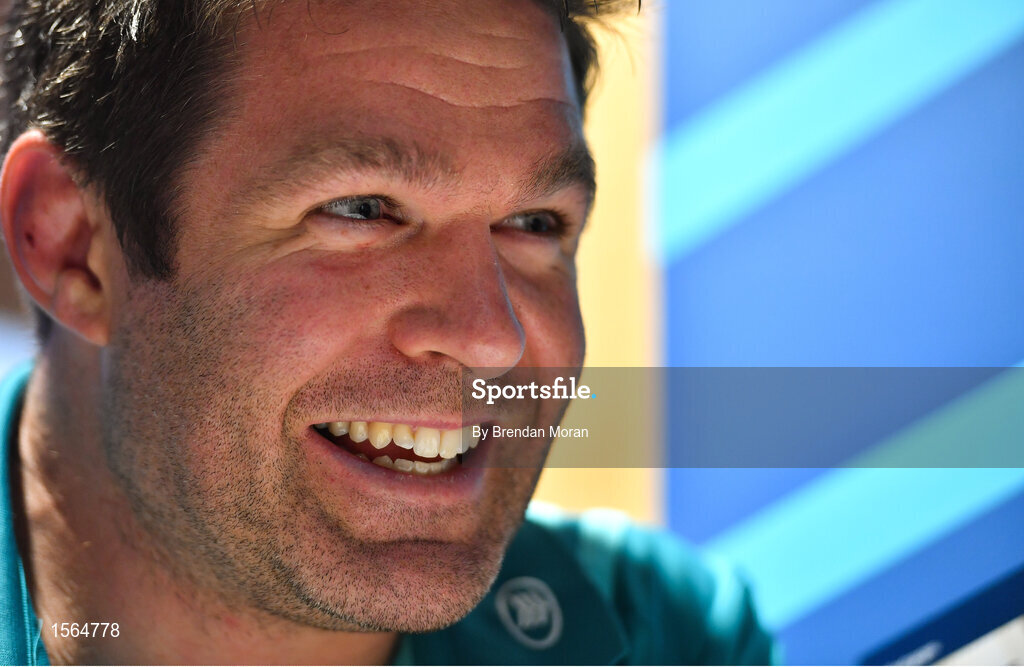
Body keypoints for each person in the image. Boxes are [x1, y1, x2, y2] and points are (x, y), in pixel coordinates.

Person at [0, 0, 776, 663]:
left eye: (534, 224)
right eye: (362, 209)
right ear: (72, 242)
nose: (490, 336)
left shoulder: (666, 634)